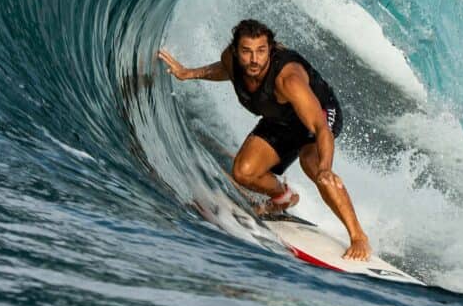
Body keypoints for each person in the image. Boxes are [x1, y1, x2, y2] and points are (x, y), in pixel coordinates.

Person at [158, 18, 372, 261]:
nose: (254, 59)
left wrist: (326, 167)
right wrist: (189, 73)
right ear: (236, 51)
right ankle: (283, 196)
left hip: (319, 112)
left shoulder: (288, 80)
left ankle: (358, 236)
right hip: (282, 118)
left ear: (270, 49)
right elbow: (226, 70)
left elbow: (320, 128)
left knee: (311, 163)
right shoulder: (231, 60)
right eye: (246, 51)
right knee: (243, 172)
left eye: (261, 51)